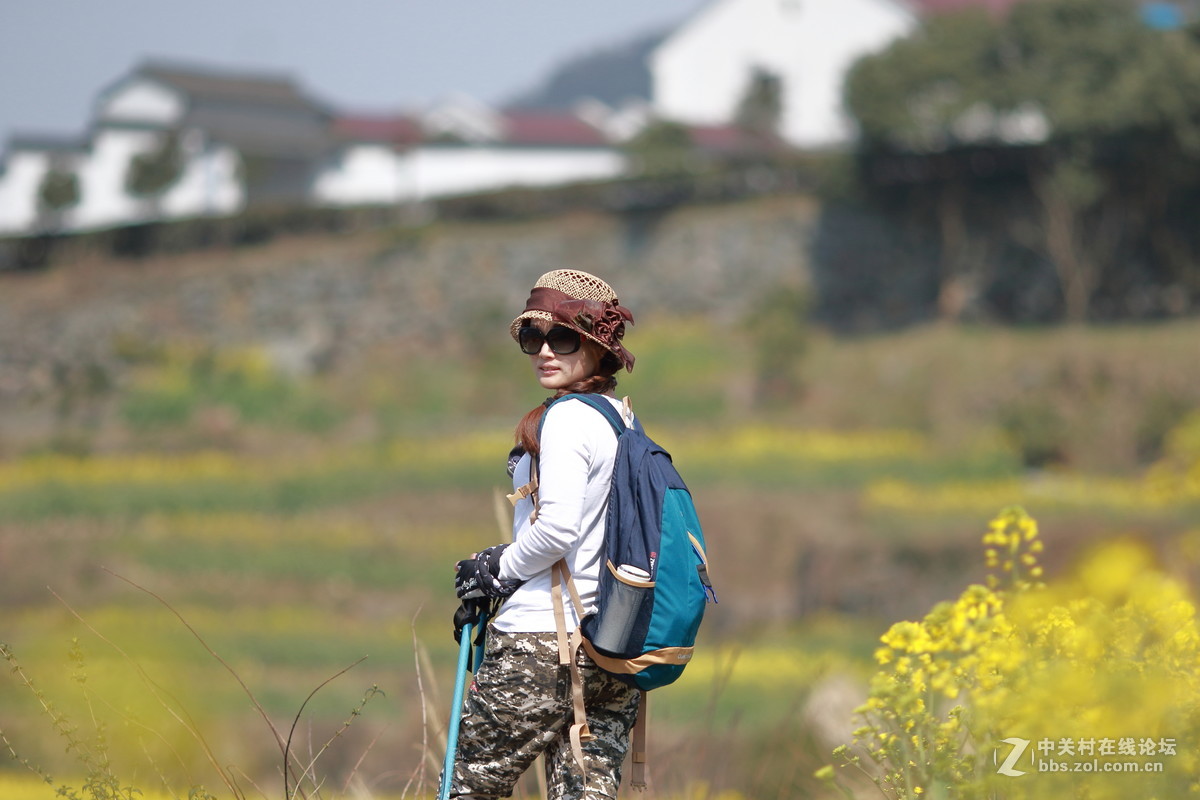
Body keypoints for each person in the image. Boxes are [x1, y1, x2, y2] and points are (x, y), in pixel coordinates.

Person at [449, 269, 639, 800]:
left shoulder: (567, 420)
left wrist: (494, 571)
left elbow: (557, 528)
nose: (544, 351)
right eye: (533, 338)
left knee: (469, 787)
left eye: (563, 337)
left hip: (543, 641)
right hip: (614, 645)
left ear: (599, 348)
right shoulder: (620, 420)